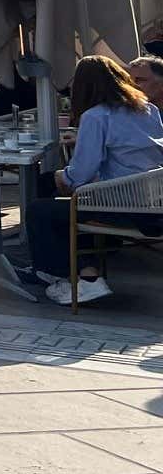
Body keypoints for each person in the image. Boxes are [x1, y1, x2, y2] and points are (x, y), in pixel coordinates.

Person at [16, 56, 163, 305]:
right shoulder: (149, 110)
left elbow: (80, 173)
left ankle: (64, 274)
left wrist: (62, 175)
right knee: (67, 202)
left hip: (122, 205)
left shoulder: (96, 116)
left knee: (41, 207)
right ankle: (85, 271)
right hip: (153, 202)